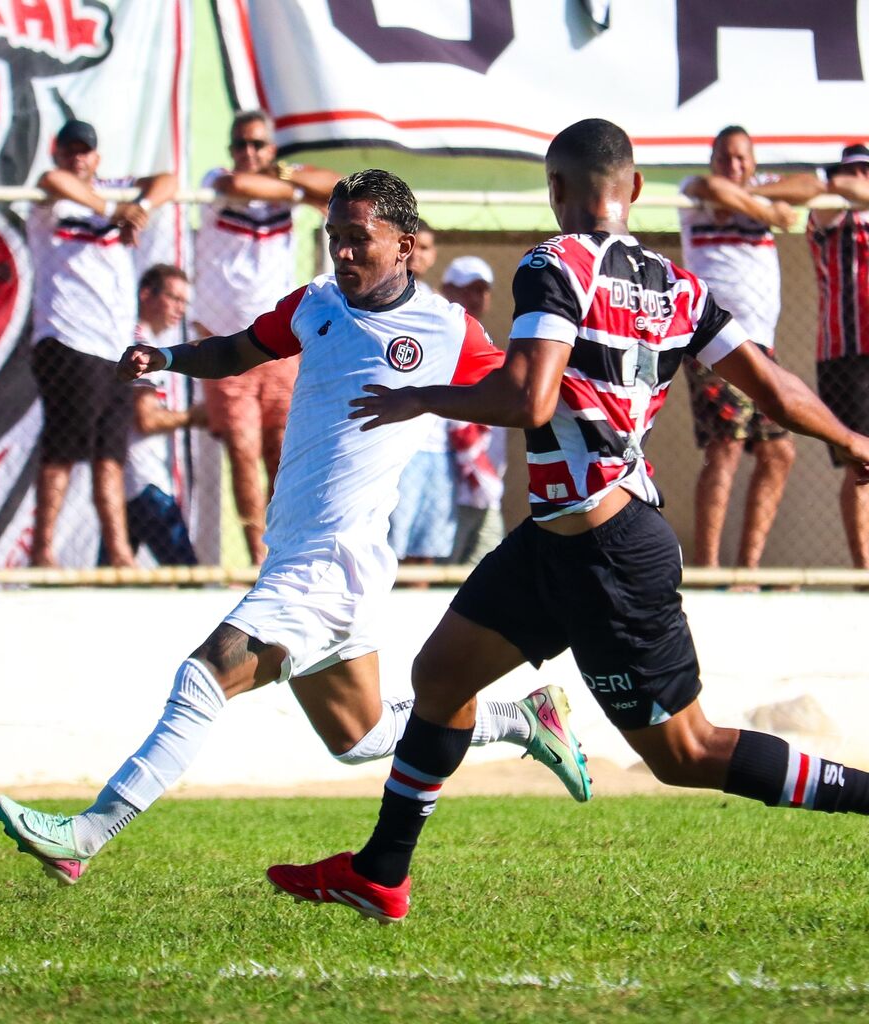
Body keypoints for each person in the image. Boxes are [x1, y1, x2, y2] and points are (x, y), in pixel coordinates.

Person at [266, 120, 869, 924]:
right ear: (636, 189)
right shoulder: (677, 285)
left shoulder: (553, 262)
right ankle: (380, 873)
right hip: (557, 539)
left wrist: (420, 398)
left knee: (687, 753)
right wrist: (851, 437)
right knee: (440, 678)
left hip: (610, 551)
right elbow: (772, 384)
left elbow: (528, 399)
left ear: (555, 192)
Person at [0, 170, 592, 888]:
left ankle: (85, 834)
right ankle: (523, 720)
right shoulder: (316, 304)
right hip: (308, 557)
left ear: (406, 245)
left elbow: (530, 393)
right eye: (334, 237)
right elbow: (241, 348)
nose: (341, 252)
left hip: (331, 562)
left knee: (205, 674)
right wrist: (170, 357)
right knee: (360, 736)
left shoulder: (446, 329)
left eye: (357, 239)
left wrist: (599, 425)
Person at [192, 110, 341, 564]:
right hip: (224, 343)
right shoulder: (217, 177)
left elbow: (340, 187)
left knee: (283, 451)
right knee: (242, 449)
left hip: (278, 343)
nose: (249, 153)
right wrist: (296, 190)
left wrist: (290, 180)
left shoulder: (283, 185)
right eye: (241, 145)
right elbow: (238, 187)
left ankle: (286, 550)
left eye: (258, 145)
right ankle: (257, 556)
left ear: (272, 151)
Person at [27, 118, 175, 568]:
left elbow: (168, 181)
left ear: (97, 157)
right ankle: (44, 549)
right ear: (59, 152)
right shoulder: (53, 200)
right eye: (70, 149)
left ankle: (119, 551)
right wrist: (113, 212)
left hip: (115, 347)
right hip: (68, 337)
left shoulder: (115, 186)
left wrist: (141, 206)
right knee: (64, 448)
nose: (78, 157)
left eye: (85, 150)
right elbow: (50, 181)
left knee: (111, 454)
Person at [678, 126, 798, 569]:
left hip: (761, 347)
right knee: (725, 447)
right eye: (726, 157)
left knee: (778, 452)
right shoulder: (694, 192)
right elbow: (711, 188)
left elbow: (813, 186)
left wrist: (760, 197)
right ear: (713, 158)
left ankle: (747, 570)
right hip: (714, 342)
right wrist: (767, 208)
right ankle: (709, 569)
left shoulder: (762, 188)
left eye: (743, 158)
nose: (734, 165)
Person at [807, 144, 869, 568]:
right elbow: (837, 189)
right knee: (863, 465)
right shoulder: (830, 211)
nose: (859, 178)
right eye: (854, 171)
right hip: (847, 355)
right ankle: (865, 569)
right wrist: (847, 184)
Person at [121, 264, 202, 566]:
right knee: (187, 574)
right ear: (146, 295)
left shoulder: (148, 343)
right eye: (173, 298)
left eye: (185, 302)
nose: (179, 309)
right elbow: (146, 418)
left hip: (137, 480)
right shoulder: (138, 345)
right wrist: (195, 417)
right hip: (143, 480)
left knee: (110, 575)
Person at [388, 223, 457, 572]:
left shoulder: (438, 306)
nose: (419, 254)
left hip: (436, 445)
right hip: (398, 446)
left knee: (428, 547)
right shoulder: (378, 298)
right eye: (414, 245)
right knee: (391, 548)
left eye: (428, 247)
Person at [440, 256, 507, 565]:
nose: (476, 298)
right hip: (448, 484)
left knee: (487, 564)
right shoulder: (439, 338)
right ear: (447, 290)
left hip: (486, 484)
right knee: (438, 565)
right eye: (467, 289)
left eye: (482, 290)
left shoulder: (486, 342)